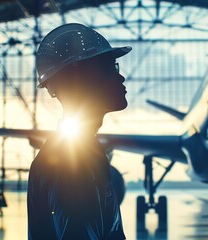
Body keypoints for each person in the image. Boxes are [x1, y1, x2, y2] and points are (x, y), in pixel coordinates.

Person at [27, 23, 131, 240]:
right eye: (111, 68)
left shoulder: (85, 152)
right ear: (82, 80)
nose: (121, 78)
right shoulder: (70, 162)